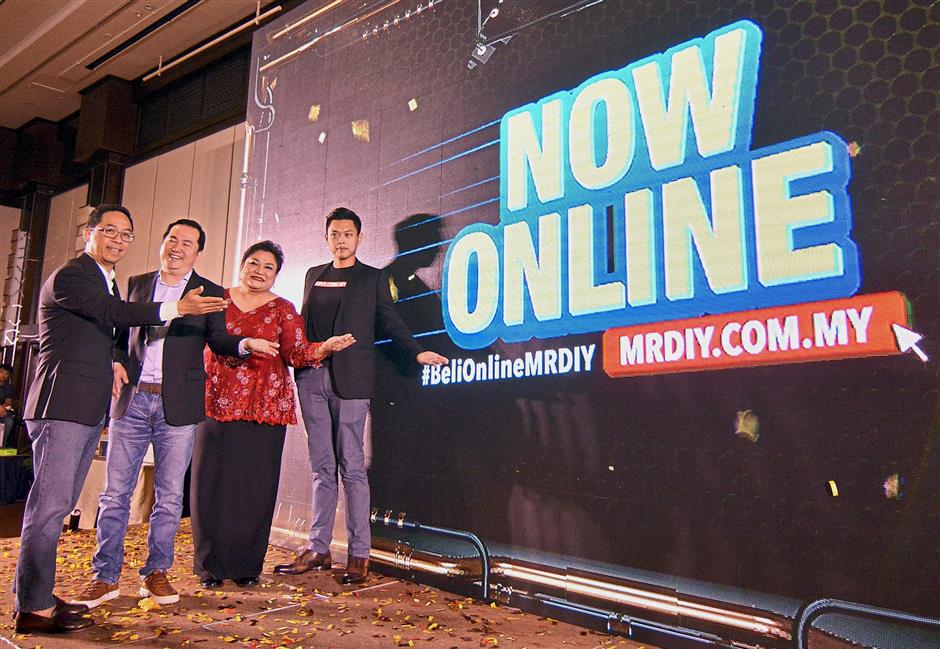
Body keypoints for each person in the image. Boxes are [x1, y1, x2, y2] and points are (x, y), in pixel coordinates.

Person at [13, 205, 227, 634]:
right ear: (89, 233)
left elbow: (105, 332)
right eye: (109, 231)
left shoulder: (104, 279)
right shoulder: (75, 275)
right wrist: (175, 308)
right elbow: (115, 316)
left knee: (57, 507)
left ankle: (39, 598)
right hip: (63, 407)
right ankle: (34, 608)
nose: (117, 240)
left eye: (126, 234)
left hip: (87, 409)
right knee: (49, 509)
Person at [72, 219, 278, 609]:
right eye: (172, 239)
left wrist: (246, 343)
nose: (177, 247)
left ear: (198, 252)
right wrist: (115, 360)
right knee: (115, 494)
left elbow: (218, 339)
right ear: (162, 243)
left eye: (188, 243)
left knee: (169, 496)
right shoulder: (137, 283)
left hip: (178, 405)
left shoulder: (209, 291)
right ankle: (105, 577)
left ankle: (157, 573)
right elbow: (119, 334)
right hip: (132, 401)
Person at [274, 207, 447, 585]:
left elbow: (389, 320)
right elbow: (303, 326)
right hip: (312, 379)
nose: (341, 240)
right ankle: (318, 548)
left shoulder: (373, 278)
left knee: (351, 468)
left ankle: (358, 555)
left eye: (347, 234)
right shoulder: (313, 275)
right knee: (322, 467)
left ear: (359, 238)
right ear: (326, 238)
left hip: (351, 383)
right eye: (335, 234)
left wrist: (416, 352)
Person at [191, 240, 354, 588]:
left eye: (268, 267)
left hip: (265, 407)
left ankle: (246, 566)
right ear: (242, 264)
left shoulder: (283, 309)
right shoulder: (217, 300)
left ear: (276, 274)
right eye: (254, 263)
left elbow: (296, 352)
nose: (259, 271)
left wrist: (324, 348)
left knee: (255, 488)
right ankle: (210, 567)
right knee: (211, 485)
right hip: (217, 402)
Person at [0, 363, 16, 448]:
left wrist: (4, 409)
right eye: (1, 372)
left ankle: (2, 445)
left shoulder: (9, 388)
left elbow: (8, 404)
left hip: (2, 413)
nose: (3, 375)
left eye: (6, 374)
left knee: (9, 421)